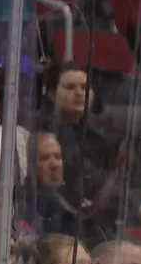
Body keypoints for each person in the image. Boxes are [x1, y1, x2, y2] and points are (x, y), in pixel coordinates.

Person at [38, 66, 117, 213]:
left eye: (84, 87)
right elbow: (80, 168)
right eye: (70, 87)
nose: (80, 93)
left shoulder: (101, 132)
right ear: (51, 94)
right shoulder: (45, 128)